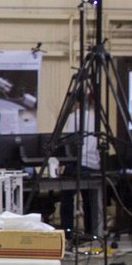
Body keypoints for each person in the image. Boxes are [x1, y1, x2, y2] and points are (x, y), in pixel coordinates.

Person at [59, 91, 101, 240]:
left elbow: (69, 143)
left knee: (66, 195)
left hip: (77, 163)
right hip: (93, 164)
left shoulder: (73, 117)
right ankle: (91, 231)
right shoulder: (96, 117)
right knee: (89, 199)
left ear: (76, 103)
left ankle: (67, 231)